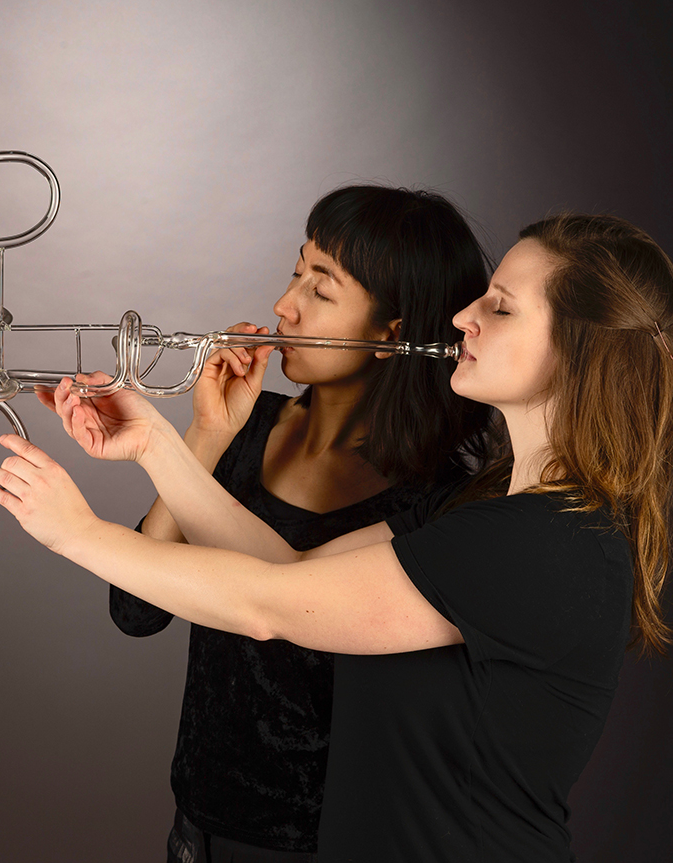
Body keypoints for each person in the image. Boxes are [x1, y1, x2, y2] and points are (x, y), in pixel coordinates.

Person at [0, 213, 673, 862]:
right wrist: (157, 448)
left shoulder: (543, 544)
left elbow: (269, 606)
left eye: (500, 308)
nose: (463, 316)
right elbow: (289, 567)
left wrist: (77, 533)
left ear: (581, 351)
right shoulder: (485, 514)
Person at [107, 186, 491, 861]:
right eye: (296, 271)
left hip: (330, 842)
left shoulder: (439, 505)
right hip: (198, 824)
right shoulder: (246, 424)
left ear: (391, 334)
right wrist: (204, 436)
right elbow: (135, 610)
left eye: (322, 287)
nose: (284, 305)